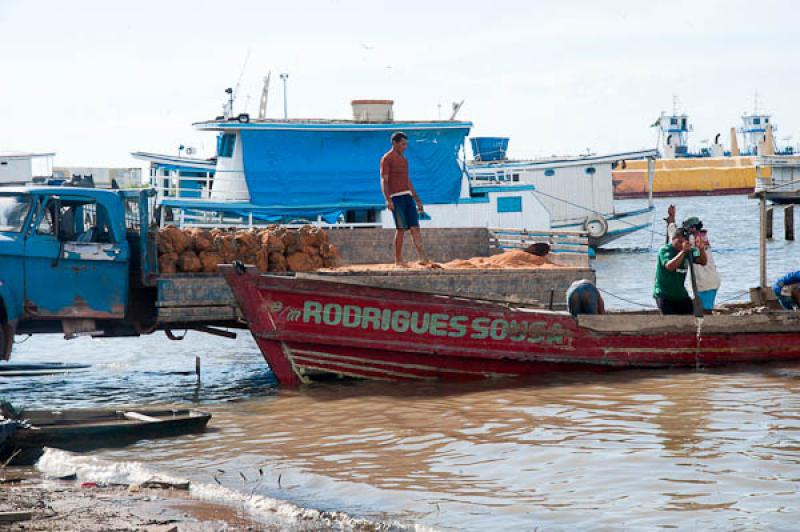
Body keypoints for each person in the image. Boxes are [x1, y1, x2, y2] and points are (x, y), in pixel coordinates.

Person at [380, 131, 429, 266]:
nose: (405, 147)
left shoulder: (404, 160)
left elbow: (407, 180)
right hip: (396, 198)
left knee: (415, 227)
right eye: (402, 144)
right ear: (395, 143)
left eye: (406, 144)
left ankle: (423, 258)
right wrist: (388, 199)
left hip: (408, 196)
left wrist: (417, 198)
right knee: (401, 229)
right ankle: (398, 260)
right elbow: (384, 180)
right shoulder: (387, 158)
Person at [666, 206, 721, 312]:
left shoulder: (692, 239)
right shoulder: (703, 237)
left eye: (687, 228)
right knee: (703, 309)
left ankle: (707, 327)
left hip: (704, 283)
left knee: (704, 311)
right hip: (712, 279)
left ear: (693, 228)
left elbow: (674, 236)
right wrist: (672, 219)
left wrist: (672, 219)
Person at [654, 227, 707, 315]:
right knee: (670, 321)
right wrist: (683, 251)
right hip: (664, 294)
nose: (681, 244)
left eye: (683, 242)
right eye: (679, 242)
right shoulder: (665, 250)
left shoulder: (689, 250)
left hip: (680, 294)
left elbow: (703, 261)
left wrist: (701, 249)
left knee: (690, 315)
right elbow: (670, 266)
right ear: (673, 239)